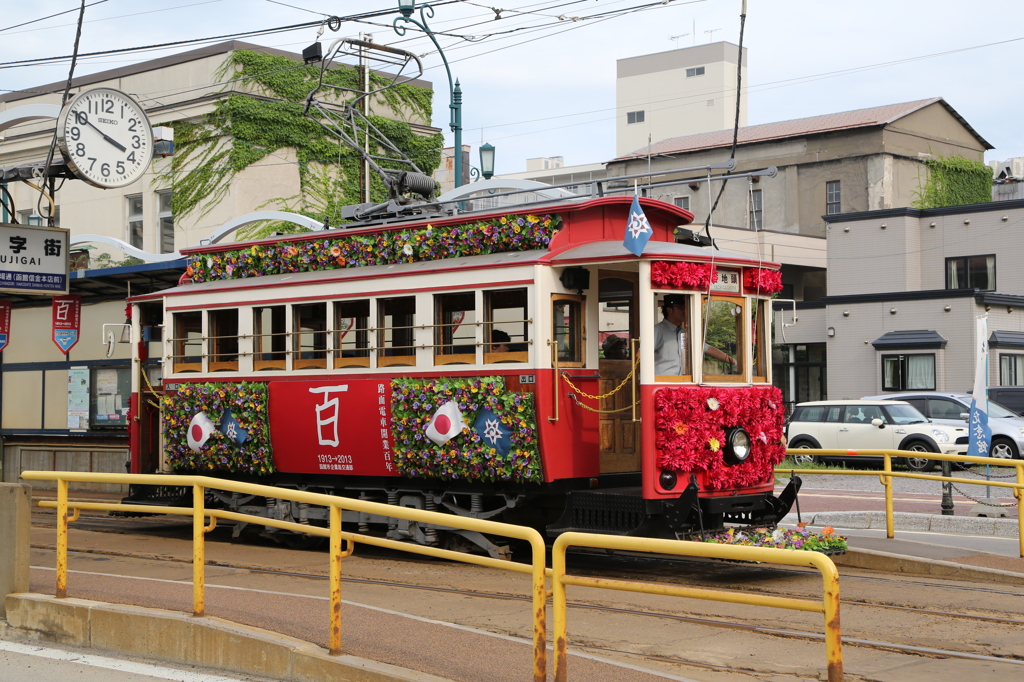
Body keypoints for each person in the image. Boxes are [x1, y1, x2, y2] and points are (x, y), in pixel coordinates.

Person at [654, 294, 736, 375]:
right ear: (669, 310)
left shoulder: (684, 332)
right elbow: (642, 354)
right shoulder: (657, 330)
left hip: (682, 382)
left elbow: (707, 349)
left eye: (686, 307)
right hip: (662, 383)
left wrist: (735, 362)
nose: (685, 310)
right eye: (681, 307)